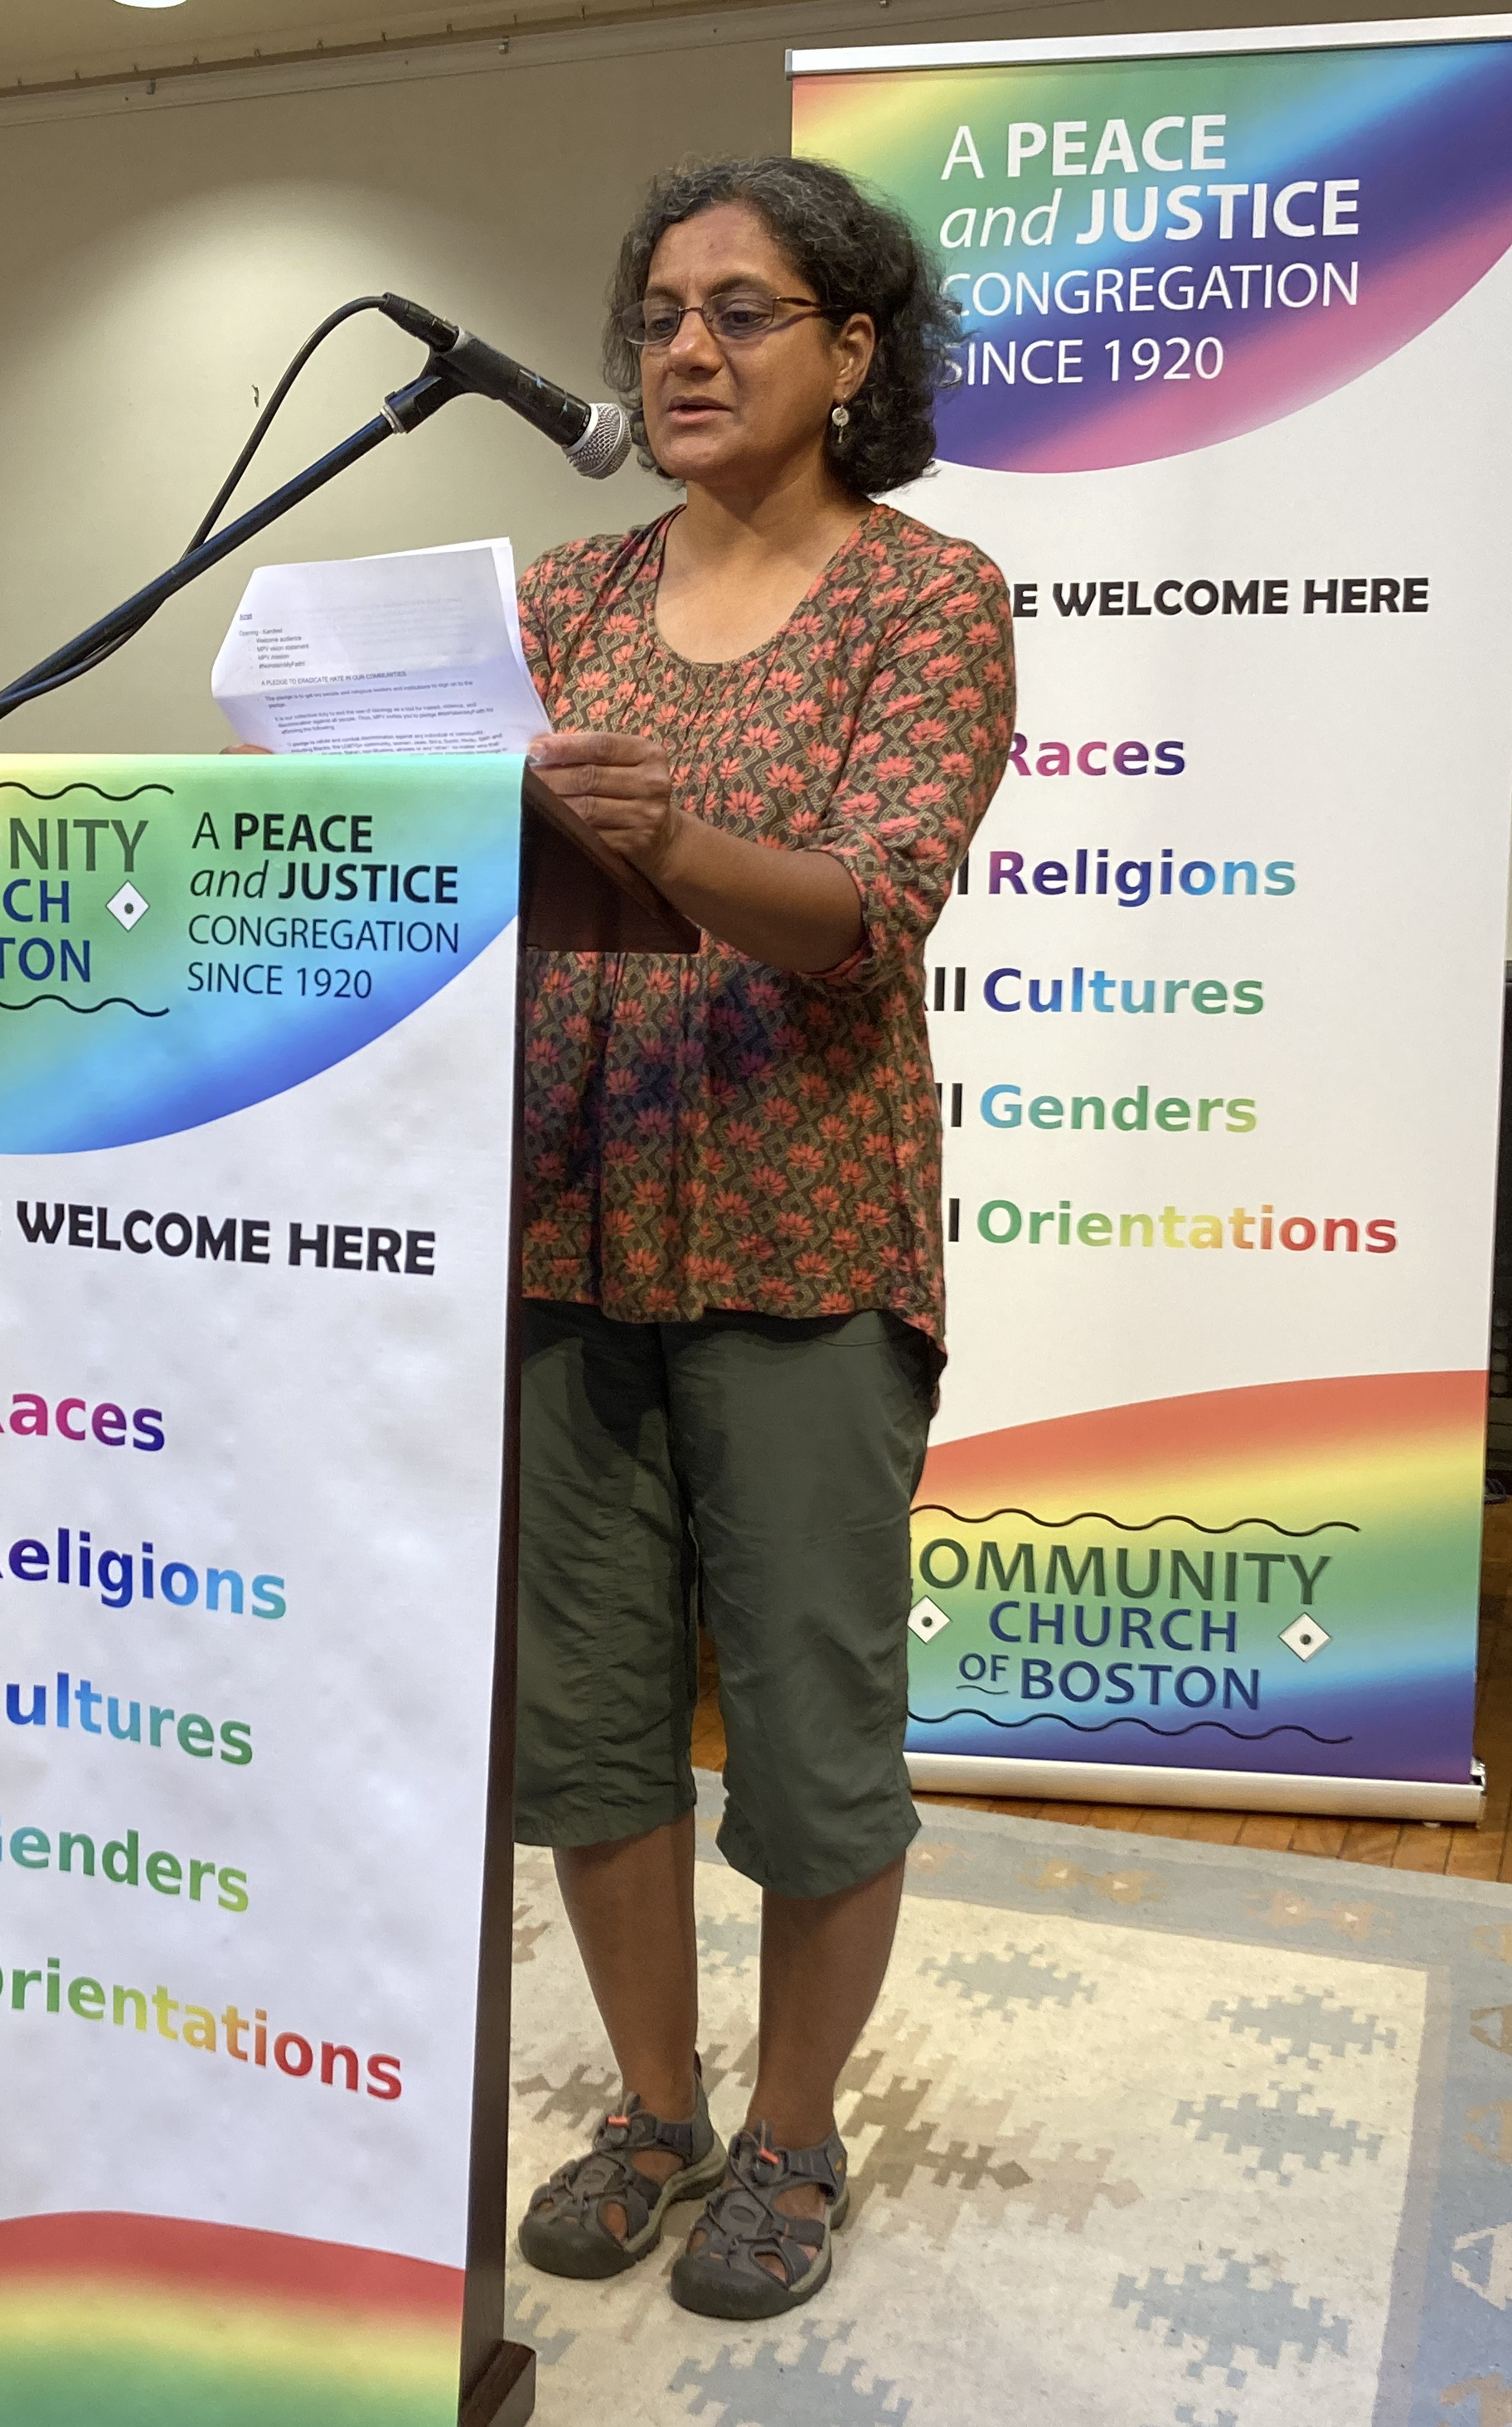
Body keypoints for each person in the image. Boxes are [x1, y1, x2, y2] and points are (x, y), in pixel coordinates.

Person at [511, 154, 1015, 2321]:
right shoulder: (555, 603)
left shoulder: (929, 595)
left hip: (805, 1241)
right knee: (585, 1725)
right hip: (556, 1229)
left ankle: (794, 2141)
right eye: (657, 316)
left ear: (849, 350)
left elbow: (867, 909)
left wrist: (672, 835)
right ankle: (655, 2105)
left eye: (740, 310)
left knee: (810, 1737)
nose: (686, 348)